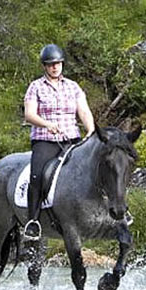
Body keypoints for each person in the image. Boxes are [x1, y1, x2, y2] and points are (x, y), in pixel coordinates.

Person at [23, 44, 95, 240]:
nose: (55, 67)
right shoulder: (35, 87)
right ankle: (33, 221)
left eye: (58, 64)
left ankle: (112, 210)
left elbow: (84, 111)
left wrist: (90, 129)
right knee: (37, 176)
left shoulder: (73, 87)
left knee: (97, 168)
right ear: (45, 67)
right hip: (45, 140)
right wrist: (47, 124)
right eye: (50, 64)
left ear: (62, 64)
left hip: (71, 138)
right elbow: (29, 114)